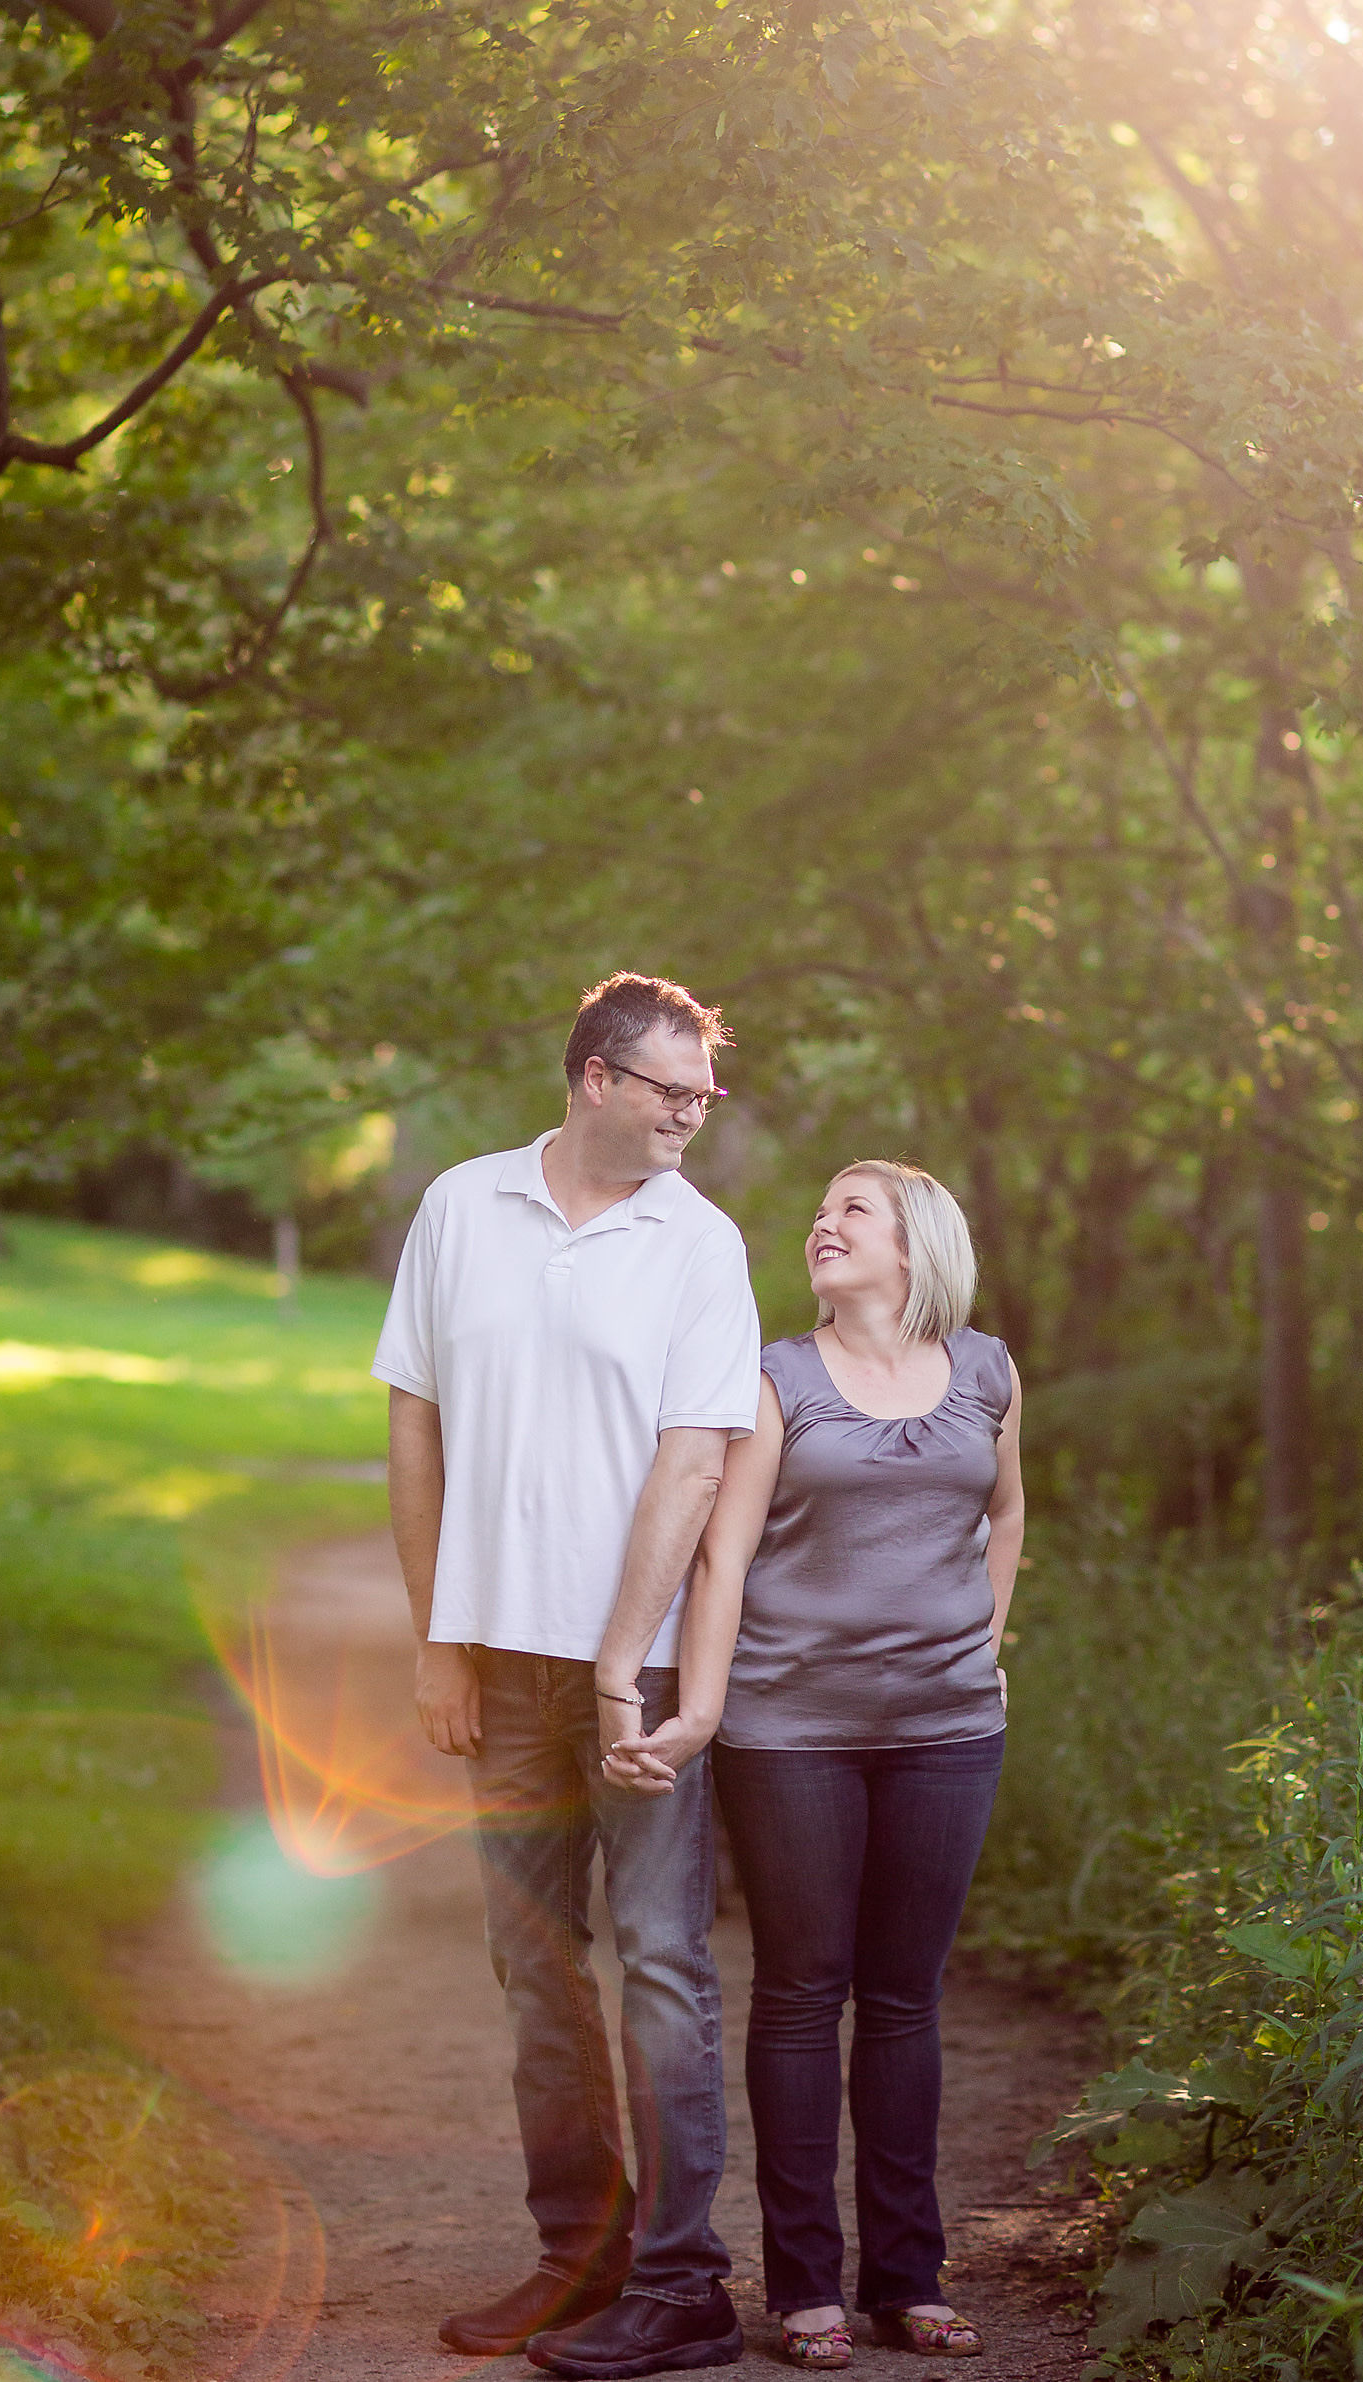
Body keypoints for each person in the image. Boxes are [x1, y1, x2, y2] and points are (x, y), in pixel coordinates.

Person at [375, 972, 761, 2377]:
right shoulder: (462, 1209)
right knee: (533, 1968)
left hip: (640, 1675)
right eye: (675, 1091)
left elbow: (696, 1458)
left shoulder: (699, 1245)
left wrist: (618, 1665)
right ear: (596, 1077)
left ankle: (683, 2284)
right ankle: (577, 2254)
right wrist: (441, 1634)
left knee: (663, 1965)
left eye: (706, 1095)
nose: (694, 1115)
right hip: (496, 1663)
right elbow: (413, 1427)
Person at [605, 1160, 1024, 2368]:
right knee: (803, 1993)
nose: (821, 1225)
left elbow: (1004, 1516)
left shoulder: (988, 1370)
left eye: (853, 1210)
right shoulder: (777, 1375)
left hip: (950, 1732)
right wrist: (704, 1707)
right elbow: (722, 1558)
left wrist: (984, 1647)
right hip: (790, 1732)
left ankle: (908, 2275)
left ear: (915, 1244)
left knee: (905, 1999)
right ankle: (805, 2290)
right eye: (823, 1210)